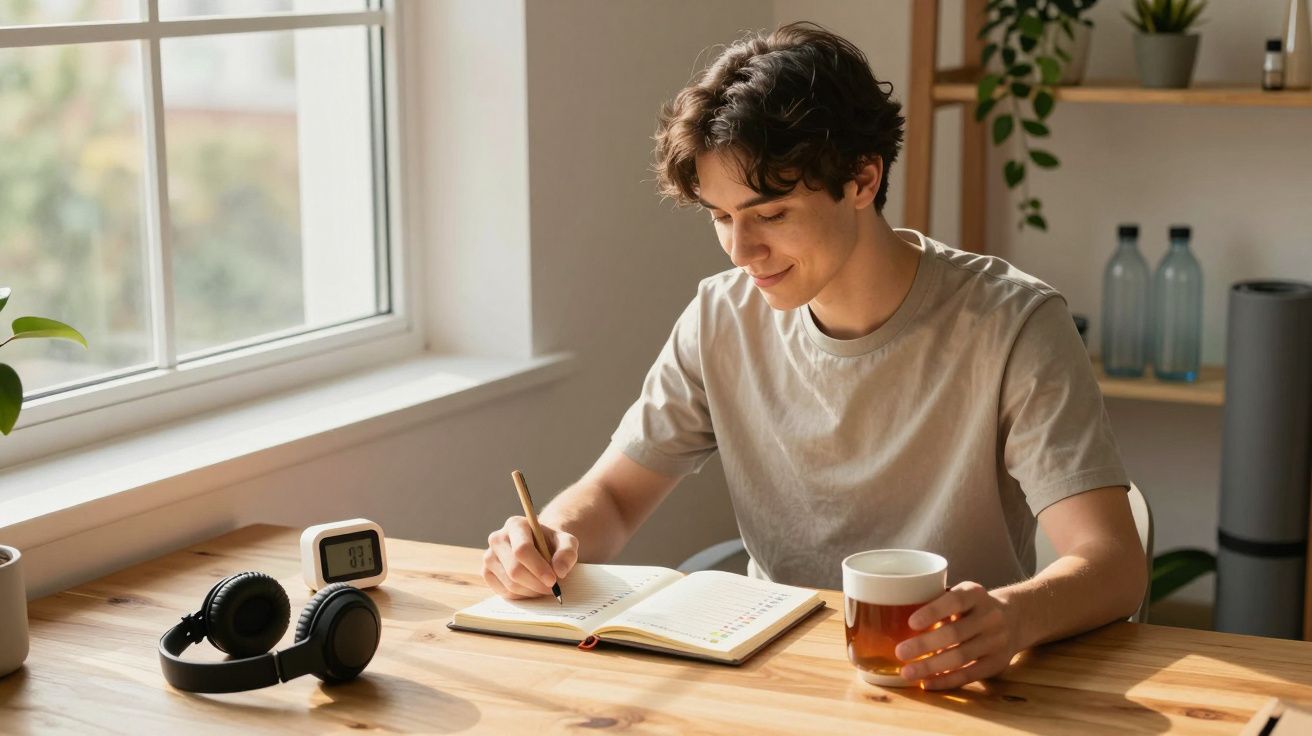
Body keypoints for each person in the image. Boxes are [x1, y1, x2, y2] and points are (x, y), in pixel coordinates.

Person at [482, 22, 1146, 690]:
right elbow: (614, 500)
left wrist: (1014, 616)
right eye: (720, 216)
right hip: (769, 676)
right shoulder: (720, 317)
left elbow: (1112, 562)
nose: (741, 252)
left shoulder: (1014, 325)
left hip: (950, 679)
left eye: (769, 214)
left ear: (862, 179)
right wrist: (547, 540)